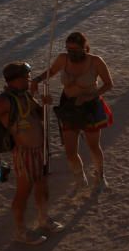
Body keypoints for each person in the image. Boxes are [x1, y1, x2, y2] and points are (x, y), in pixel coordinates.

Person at [0, 62, 64, 244]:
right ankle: (20, 231)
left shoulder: (24, 96)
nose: (30, 79)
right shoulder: (4, 101)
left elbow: (39, 115)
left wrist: (45, 104)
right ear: (16, 79)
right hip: (25, 154)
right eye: (27, 76)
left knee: (42, 185)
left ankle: (43, 218)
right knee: (23, 192)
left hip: (40, 150)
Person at [34, 32, 114, 193]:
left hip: (90, 107)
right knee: (70, 151)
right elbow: (51, 71)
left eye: (75, 49)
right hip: (68, 106)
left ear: (84, 48)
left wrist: (89, 96)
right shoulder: (63, 58)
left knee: (93, 146)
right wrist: (36, 80)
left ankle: (100, 175)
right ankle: (80, 178)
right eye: (68, 49)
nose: (71, 53)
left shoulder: (96, 61)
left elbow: (108, 84)